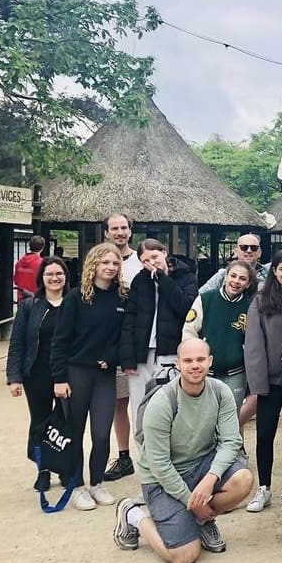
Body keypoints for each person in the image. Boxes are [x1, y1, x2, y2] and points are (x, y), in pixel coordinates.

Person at [112, 339, 254, 563]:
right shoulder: (162, 401)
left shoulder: (221, 392)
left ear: (210, 361)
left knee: (243, 479)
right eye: (188, 361)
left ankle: (201, 521)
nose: (195, 365)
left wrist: (210, 478)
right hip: (161, 478)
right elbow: (159, 464)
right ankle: (134, 514)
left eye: (200, 359)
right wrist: (192, 501)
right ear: (177, 364)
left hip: (201, 465)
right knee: (185, 556)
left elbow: (231, 442)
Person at [50, 243, 128, 511]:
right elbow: (60, 340)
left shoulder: (122, 298)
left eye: (115, 263)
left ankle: (97, 482)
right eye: (105, 262)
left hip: (104, 374)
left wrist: (113, 357)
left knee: (102, 433)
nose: (110, 267)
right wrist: (59, 378)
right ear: (93, 264)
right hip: (76, 372)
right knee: (74, 432)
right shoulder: (76, 297)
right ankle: (76, 485)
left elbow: (124, 336)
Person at [119, 239, 199, 482]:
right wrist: (128, 358)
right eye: (145, 260)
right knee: (140, 408)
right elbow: (130, 319)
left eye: (154, 257)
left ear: (164, 253)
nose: (151, 263)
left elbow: (185, 307)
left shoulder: (185, 276)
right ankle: (147, 462)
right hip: (142, 353)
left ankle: (175, 462)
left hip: (170, 352)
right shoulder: (139, 281)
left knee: (171, 408)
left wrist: (163, 279)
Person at [244, 249, 282, 514]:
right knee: (265, 433)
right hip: (271, 378)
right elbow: (254, 344)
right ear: (274, 271)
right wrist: (258, 383)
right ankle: (264, 487)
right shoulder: (261, 300)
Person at [7, 256, 69, 490]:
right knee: (40, 422)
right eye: (49, 274)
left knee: (66, 422)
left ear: (66, 276)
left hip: (66, 372)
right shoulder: (30, 306)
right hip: (37, 372)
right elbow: (18, 342)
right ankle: (43, 469)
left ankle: (64, 466)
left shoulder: (73, 304)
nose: (54, 278)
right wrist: (14, 377)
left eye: (59, 273)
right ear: (41, 278)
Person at [183, 260, 256, 412]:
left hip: (236, 373)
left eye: (242, 278)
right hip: (206, 372)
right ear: (226, 276)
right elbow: (189, 332)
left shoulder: (251, 306)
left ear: (248, 284)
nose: (236, 281)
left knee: (231, 416)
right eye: (233, 276)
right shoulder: (205, 299)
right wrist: (195, 361)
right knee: (205, 415)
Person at [102, 213, 142, 482]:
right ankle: (124, 455)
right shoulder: (101, 261)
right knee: (119, 403)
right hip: (112, 342)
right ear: (107, 232)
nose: (120, 232)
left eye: (124, 227)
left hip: (138, 341)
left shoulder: (140, 261)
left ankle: (152, 455)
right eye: (114, 228)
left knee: (145, 402)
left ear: (130, 230)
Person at [199, 219, 282, 294]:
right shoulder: (223, 275)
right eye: (244, 247)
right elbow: (201, 296)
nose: (249, 251)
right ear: (236, 251)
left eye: (253, 248)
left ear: (259, 252)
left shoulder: (269, 271)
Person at [13, 235, 46, 301]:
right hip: (37, 299)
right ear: (43, 247)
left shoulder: (19, 263)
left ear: (30, 246)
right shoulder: (42, 263)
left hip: (22, 299)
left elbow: (16, 281)